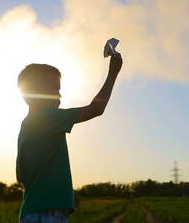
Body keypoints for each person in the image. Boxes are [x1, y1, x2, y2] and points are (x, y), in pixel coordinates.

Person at [16, 52, 123, 223]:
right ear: (32, 92)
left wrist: (65, 192)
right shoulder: (48, 117)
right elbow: (96, 109)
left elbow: (22, 176)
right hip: (48, 214)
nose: (59, 95)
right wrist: (113, 73)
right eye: (54, 89)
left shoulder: (26, 126)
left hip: (29, 212)